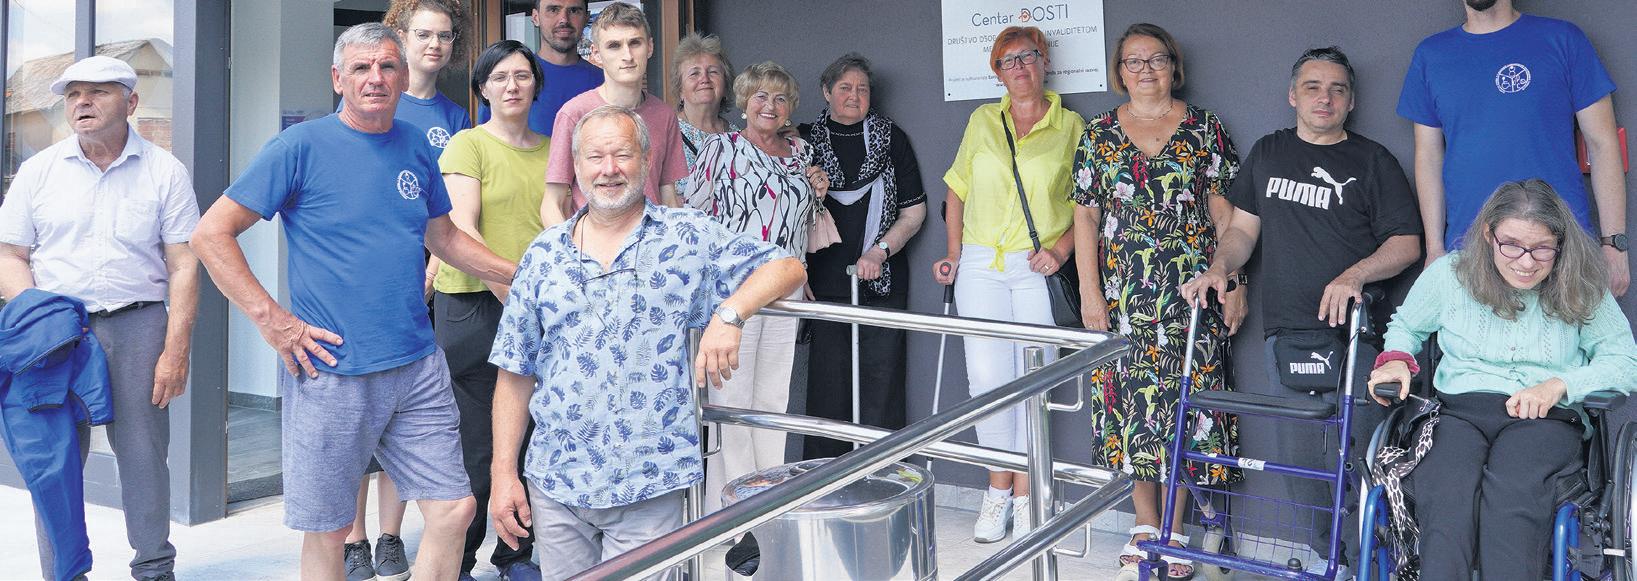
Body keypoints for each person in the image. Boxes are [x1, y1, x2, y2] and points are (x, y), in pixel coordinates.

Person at [189, 24, 516, 581]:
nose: (375, 78)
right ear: (338, 79)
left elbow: (444, 239)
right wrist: (274, 322)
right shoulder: (299, 147)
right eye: (361, 68)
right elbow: (210, 234)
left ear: (404, 76)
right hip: (332, 368)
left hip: (416, 363)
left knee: (454, 509)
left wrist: (521, 275)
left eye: (387, 66)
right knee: (330, 530)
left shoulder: (415, 144)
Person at [485, 105, 807, 581]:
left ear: (647, 159)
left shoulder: (686, 235)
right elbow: (514, 373)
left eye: (622, 154)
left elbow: (788, 267)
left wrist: (730, 314)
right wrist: (502, 475)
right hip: (557, 481)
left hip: (650, 482)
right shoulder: (544, 255)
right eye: (595, 157)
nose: (609, 169)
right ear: (576, 166)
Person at [1180, 46, 1421, 575]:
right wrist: (1220, 267)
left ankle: (1373, 564)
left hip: (1355, 336)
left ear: (1351, 101)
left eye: (1337, 89)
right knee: (1302, 469)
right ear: (1293, 95)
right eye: (1312, 87)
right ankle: (1334, 563)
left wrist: (1354, 275)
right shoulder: (1269, 152)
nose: (1324, 98)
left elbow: (1407, 243)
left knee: (1360, 461)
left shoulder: (1372, 161)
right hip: (1286, 335)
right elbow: (1242, 231)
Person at [1367, 179, 1637, 580]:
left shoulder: (1582, 284)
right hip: (1458, 413)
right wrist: (1395, 361)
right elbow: (1406, 326)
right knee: (1448, 492)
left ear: (1561, 244)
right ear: (1488, 235)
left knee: (1514, 495)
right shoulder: (1450, 275)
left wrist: (1560, 386)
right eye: (1511, 245)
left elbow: (1625, 361)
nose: (1526, 262)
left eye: (1542, 248)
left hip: (1545, 418)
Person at [0, 55, 198, 581]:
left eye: (97, 92)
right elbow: (9, 254)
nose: (82, 103)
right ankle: (64, 574)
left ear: (131, 103)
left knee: (143, 456)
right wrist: (38, 317)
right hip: (57, 334)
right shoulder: (39, 172)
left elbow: (183, 263)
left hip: (138, 326)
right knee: (54, 461)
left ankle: (154, 567)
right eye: (73, 95)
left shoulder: (165, 171)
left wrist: (176, 349)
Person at [1070, 23, 1240, 578]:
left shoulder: (1205, 128)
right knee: (1133, 409)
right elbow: (1085, 217)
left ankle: (1175, 529)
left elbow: (1226, 214)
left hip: (1192, 294)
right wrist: (1090, 293)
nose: (1145, 70)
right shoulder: (1098, 133)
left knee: (1185, 405)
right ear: (1119, 71)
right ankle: (1145, 527)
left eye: (1157, 59)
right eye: (1134, 61)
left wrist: (1234, 280)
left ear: (1174, 66)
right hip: (1124, 297)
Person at [934, 26, 1081, 544]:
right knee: (988, 382)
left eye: (1028, 56)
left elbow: (1087, 206)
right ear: (997, 72)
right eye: (1007, 60)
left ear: (1045, 62)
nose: (1019, 67)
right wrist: (954, 255)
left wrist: (1060, 251)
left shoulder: (1071, 126)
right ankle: (999, 490)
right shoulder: (983, 119)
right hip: (980, 264)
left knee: (1032, 380)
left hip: (1036, 266)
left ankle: (1026, 493)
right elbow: (956, 190)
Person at [340, 3, 472, 580]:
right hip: (366, 285)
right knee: (354, 420)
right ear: (400, 38)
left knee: (404, 412)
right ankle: (353, 539)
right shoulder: (363, 105)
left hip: (429, 275)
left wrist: (435, 270)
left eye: (444, 36)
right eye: (423, 34)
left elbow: (451, 215)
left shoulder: (454, 116)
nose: (434, 45)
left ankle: (390, 536)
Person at [1398, 0, 1627, 296]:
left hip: (1559, 247)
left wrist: (1614, 244)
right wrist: (1434, 250)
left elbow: (1602, 143)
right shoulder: (1431, 55)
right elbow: (1428, 156)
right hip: (1471, 251)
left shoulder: (1563, 39)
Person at [683, 61, 829, 512]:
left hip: (785, 289)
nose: (770, 105)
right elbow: (693, 215)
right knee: (732, 402)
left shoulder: (801, 152)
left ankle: (768, 502)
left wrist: (818, 191)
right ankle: (731, 511)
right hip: (735, 286)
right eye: (761, 96)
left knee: (772, 401)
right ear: (745, 102)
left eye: (781, 98)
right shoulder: (720, 147)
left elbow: (800, 221)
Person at [429, 40, 549, 581]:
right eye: (499, 77)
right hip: (475, 306)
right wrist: (512, 292)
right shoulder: (467, 145)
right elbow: (461, 228)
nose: (511, 86)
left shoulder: (553, 149)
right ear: (482, 88)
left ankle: (514, 556)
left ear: (536, 84)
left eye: (522, 75)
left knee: (528, 440)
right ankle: (457, 562)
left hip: (537, 308)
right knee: (476, 450)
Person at [796, 53, 926, 460]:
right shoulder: (802, 143)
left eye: (862, 89)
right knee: (828, 388)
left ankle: (882, 474)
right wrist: (796, 271)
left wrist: (879, 251)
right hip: (824, 284)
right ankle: (825, 477)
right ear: (826, 91)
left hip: (880, 281)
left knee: (881, 386)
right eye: (845, 88)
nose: (854, 96)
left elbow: (914, 211)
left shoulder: (892, 139)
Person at [540, 2, 687, 227]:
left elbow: (668, 197)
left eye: (635, 43)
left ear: (649, 47)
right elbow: (552, 203)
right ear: (596, 54)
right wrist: (568, 247)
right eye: (614, 46)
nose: (627, 55)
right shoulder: (574, 113)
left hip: (651, 242)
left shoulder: (664, 114)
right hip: (592, 242)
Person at [477, 0, 602, 136]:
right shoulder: (506, 82)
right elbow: (486, 141)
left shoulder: (605, 81)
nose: (564, 19)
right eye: (553, 10)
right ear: (536, 17)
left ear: (587, 17)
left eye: (574, 11)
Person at [672, 32, 737, 193]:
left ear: (725, 85)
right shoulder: (666, 135)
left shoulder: (738, 137)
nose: (704, 79)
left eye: (713, 72)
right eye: (694, 73)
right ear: (680, 90)